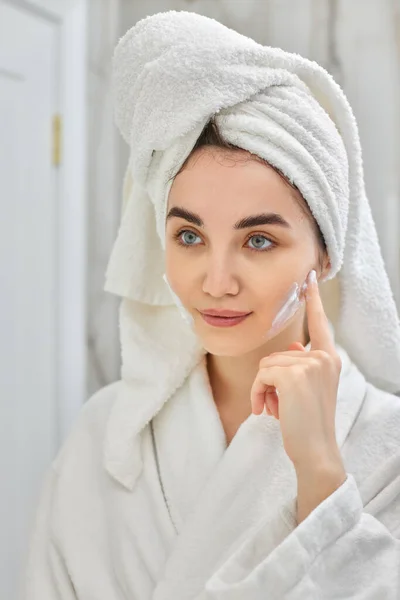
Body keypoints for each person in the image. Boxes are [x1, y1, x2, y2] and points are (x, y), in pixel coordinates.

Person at [21, 11, 400, 599]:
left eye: (258, 240)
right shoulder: (105, 437)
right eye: (190, 237)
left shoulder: (388, 449)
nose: (215, 282)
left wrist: (321, 471)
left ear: (325, 255)